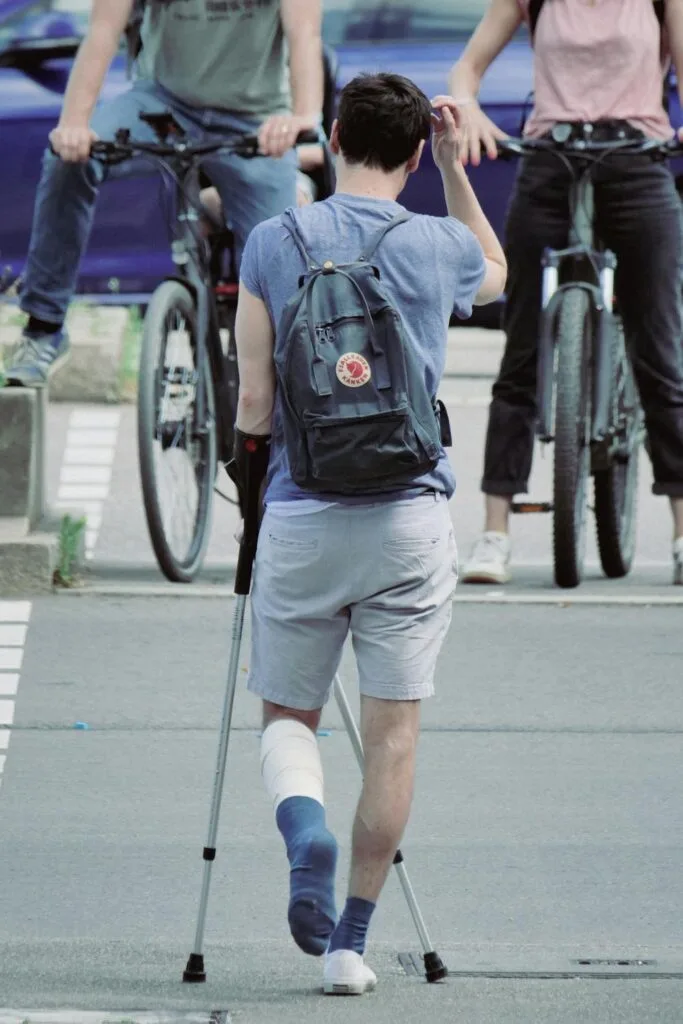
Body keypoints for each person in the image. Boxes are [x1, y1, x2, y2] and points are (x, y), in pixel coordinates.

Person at [230, 72, 506, 994]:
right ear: (418, 151)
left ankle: (300, 827)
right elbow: (496, 270)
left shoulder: (275, 239)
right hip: (410, 519)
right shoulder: (433, 242)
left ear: (334, 132)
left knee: (286, 715)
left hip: (307, 513)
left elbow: (257, 405)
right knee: (391, 738)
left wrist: (250, 501)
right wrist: (459, 175)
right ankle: (348, 947)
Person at [446, 0, 683, 587]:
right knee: (522, 347)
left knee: (660, 353)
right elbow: (466, 70)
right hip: (550, 158)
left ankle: (682, 533)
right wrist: (468, 106)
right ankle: (495, 533)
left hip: (638, 159)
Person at [5, 0, 323, 387]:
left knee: (283, 280)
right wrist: (74, 124)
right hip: (163, 107)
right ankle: (44, 328)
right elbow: (103, 31)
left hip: (255, 121)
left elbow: (305, 33)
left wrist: (303, 117)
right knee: (67, 160)